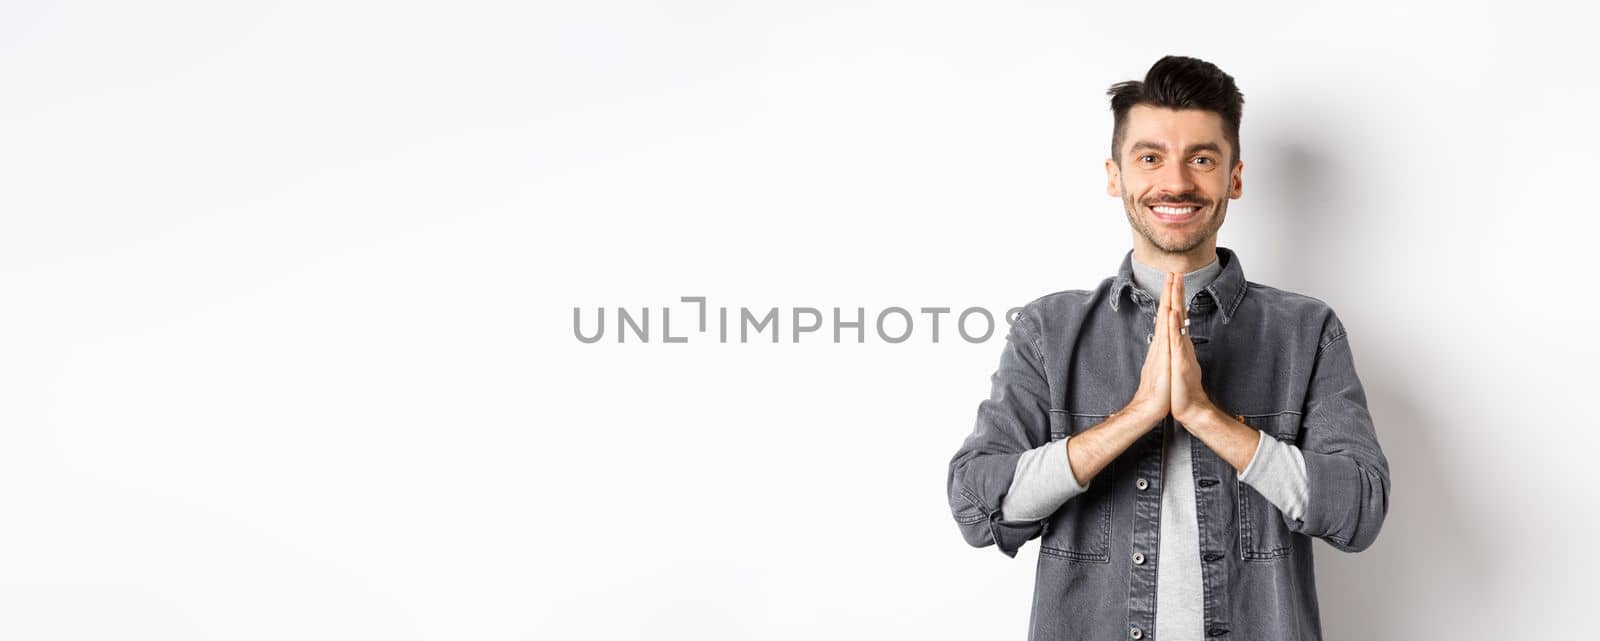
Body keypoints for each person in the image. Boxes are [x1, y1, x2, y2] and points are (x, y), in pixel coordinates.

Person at [945, 55, 1390, 641]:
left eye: (1201, 159)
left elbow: (1357, 512)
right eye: (1150, 157)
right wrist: (1135, 417)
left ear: (1234, 176)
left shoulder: (1306, 331)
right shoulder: (1048, 332)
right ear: (1115, 176)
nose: (1175, 182)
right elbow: (978, 507)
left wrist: (1206, 417)